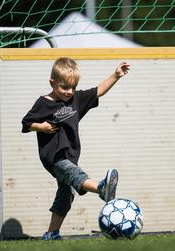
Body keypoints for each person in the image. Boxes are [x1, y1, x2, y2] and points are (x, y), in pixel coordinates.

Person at [21, 57, 130, 240]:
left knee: (65, 195)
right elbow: (26, 123)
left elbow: (98, 91)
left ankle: (51, 233)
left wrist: (116, 75)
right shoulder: (43, 103)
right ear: (52, 82)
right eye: (64, 87)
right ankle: (102, 189)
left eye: (73, 87)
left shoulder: (76, 99)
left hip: (71, 156)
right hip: (54, 157)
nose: (69, 92)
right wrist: (41, 127)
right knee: (74, 174)